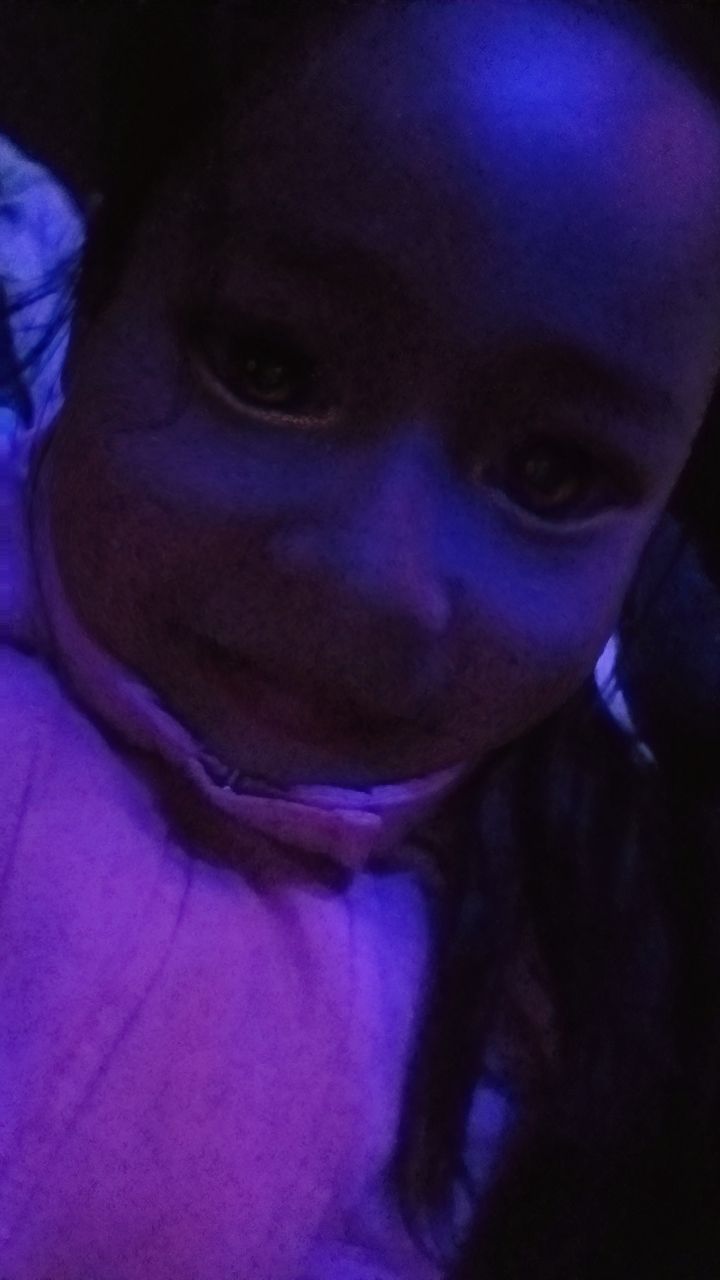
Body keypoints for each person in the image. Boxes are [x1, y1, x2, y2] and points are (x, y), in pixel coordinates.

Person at [1, 1, 720, 1275]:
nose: (374, 581)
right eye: (267, 364)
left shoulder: (541, 980)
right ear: (102, 292)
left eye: (551, 476)